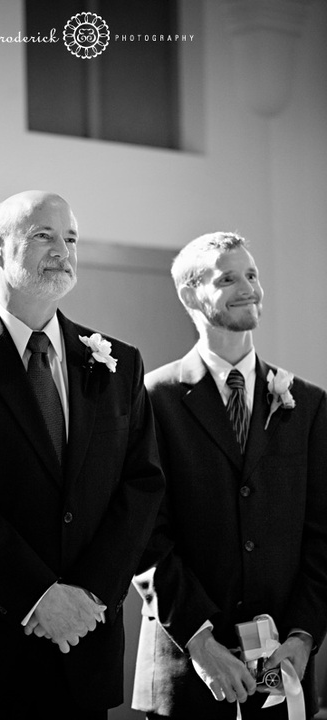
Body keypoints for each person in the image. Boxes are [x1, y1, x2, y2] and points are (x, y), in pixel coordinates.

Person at [0, 190, 165, 720]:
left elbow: (142, 484)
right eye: (44, 235)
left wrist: (87, 596)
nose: (63, 250)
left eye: (70, 238)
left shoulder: (119, 363)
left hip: (82, 653)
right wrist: (39, 596)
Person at [132, 232, 327, 720]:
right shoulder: (152, 399)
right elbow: (142, 536)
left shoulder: (308, 404)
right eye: (228, 278)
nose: (249, 288)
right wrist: (201, 644)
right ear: (190, 294)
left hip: (282, 666)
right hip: (187, 665)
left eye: (253, 275)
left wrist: (304, 636)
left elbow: (323, 535)